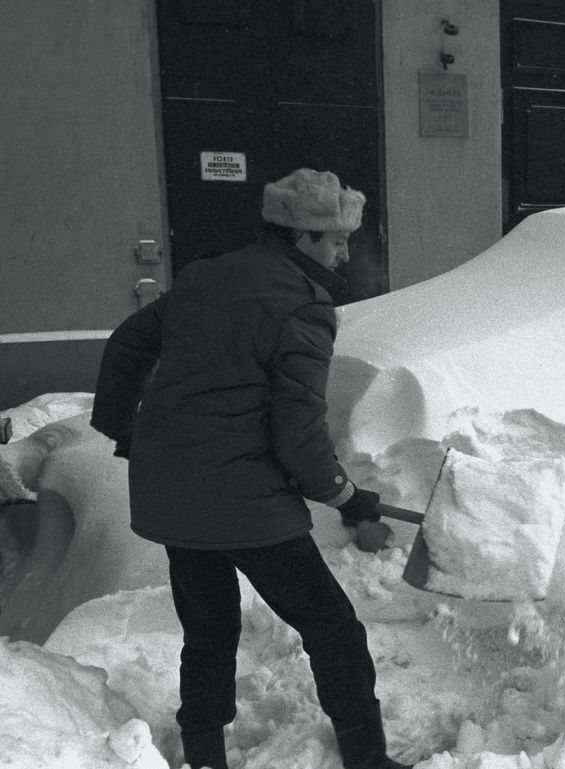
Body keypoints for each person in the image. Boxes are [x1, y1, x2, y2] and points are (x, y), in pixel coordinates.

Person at [91, 168, 408, 769]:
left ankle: (206, 755)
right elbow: (300, 433)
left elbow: (128, 345)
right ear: (301, 236)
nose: (345, 252)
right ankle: (368, 760)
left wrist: (122, 426)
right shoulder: (304, 308)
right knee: (334, 629)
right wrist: (346, 499)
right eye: (337, 240)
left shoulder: (205, 274)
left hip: (174, 493)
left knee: (208, 632)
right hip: (241, 500)